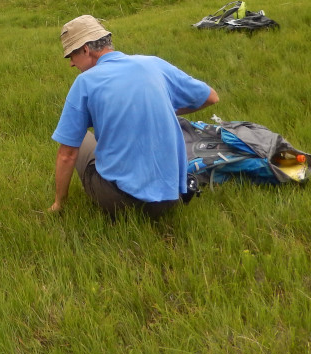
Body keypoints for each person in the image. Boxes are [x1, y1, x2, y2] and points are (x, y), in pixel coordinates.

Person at [49, 15, 219, 219]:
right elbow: (211, 97)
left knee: (80, 137)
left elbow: (67, 154)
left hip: (119, 202)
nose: (71, 64)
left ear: (86, 49)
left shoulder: (85, 82)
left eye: (71, 56)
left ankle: (76, 199)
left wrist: (58, 203)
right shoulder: (154, 64)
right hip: (170, 199)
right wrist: (165, 109)